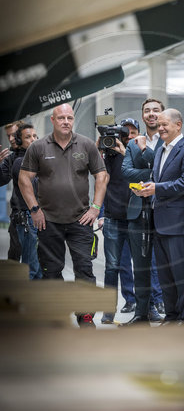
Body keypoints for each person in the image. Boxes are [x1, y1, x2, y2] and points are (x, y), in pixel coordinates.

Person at [18, 103, 107, 327]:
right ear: (52, 120)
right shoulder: (38, 147)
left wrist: (95, 208)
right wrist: (35, 209)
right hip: (48, 222)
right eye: (61, 118)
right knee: (50, 271)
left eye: (69, 117)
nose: (66, 121)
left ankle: (85, 316)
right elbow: (23, 179)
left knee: (84, 270)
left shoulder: (86, 145)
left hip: (80, 221)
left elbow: (102, 176)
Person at [137, 108, 184, 325]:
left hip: (176, 223)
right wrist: (146, 188)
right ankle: (172, 317)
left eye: (165, 124)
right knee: (165, 276)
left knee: (180, 274)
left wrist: (157, 188)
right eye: (159, 124)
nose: (160, 128)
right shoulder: (160, 149)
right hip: (158, 222)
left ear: (178, 125)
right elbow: (158, 180)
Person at [121, 98, 165, 325]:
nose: (151, 114)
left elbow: (163, 173)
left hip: (163, 211)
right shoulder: (132, 143)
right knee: (140, 265)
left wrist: (145, 151)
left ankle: (168, 311)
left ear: (163, 114)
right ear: (143, 115)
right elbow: (126, 172)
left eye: (155, 110)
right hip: (137, 211)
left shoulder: (168, 141)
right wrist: (148, 174)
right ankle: (142, 313)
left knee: (164, 265)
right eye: (147, 111)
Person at [98, 117, 140, 324]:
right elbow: (99, 179)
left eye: (131, 133)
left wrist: (125, 152)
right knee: (112, 267)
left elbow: (144, 174)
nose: (127, 137)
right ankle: (108, 311)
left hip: (136, 218)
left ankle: (144, 309)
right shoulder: (108, 155)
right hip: (114, 217)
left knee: (141, 265)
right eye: (124, 134)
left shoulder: (140, 152)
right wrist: (101, 150)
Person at [11, 123, 42, 279]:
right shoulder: (19, 162)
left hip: (40, 218)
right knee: (30, 268)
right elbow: (36, 186)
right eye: (28, 137)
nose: (33, 139)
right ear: (20, 141)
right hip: (28, 219)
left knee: (39, 269)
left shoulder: (38, 160)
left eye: (35, 136)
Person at [0, 121, 24, 261]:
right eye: (8, 136)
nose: (10, 139)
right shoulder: (10, 158)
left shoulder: (38, 151)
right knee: (14, 259)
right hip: (17, 215)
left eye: (13, 135)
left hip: (40, 216)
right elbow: (1, 181)